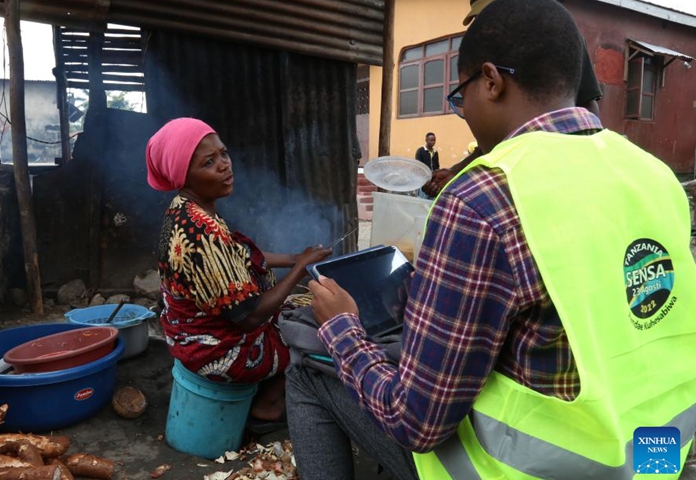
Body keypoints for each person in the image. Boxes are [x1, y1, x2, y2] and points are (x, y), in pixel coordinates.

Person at [287, 0, 696, 479]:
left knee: (306, 372)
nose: (463, 116)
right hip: (658, 458)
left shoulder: (482, 198)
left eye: (460, 99)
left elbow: (415, 422)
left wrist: (343, 328)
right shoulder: (654, 174)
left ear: (491, 80)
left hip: (534, 471)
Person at [146, 118, 331, 432]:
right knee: (324, 329)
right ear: (184, 175)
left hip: (185, 334)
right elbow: (250, 317)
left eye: (223, 154)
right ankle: (269, 407)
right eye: (209, 162)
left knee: (301, 307)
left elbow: (238, 254)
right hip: (218, 350)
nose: (224, 166)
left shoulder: (185, 208)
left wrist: (293, 258)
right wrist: (300, 269)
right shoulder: (203, 231)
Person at [423, 0, 603, 197]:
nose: (482, 27)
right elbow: (494, 143)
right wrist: (458, 171)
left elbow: (588, 108)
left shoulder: (557, 36)